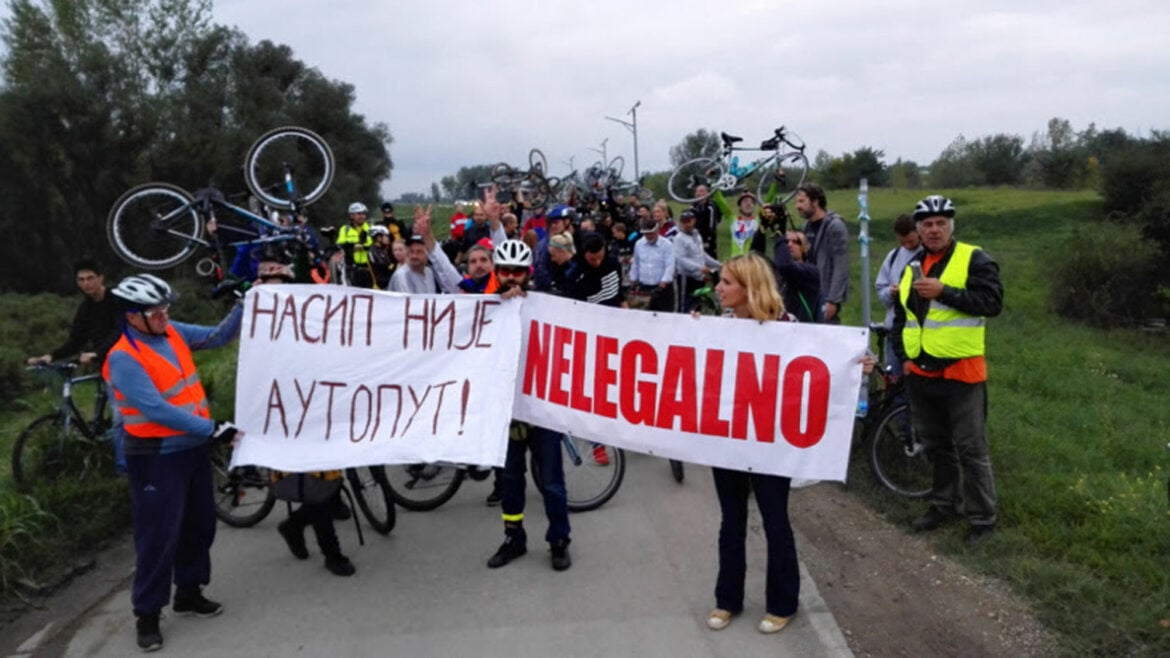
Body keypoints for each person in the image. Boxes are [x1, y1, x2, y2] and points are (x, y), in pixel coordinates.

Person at [101, 274, 244, 652]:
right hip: (157, 456)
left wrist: (244, 304)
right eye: (155, 311)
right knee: (158, 535)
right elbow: (155, 409)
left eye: (165, 308)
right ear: (132, 317)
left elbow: (216, 337)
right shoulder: (123, 357)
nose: (164, 315)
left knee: (200, 523)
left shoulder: (170, 331)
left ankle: (189, 591)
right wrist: (213, 428)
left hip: (193, 449)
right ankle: (147, 614)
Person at [891, 195, 1003, 545]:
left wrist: (946, 292)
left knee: (971, 449)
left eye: (941, 223)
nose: (934, 229)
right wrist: (904, 359)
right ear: (918, 230)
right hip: (922, 373)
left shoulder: (974, 258)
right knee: (937, 446)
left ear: (951, 226)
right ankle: (943, 505)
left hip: (962, 372)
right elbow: (902, 317)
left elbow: (992, 303)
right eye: (927, 224)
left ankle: (983, 519)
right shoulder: (912, 265)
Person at [702, 254, 799, 635]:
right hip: (728, 442)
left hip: (771, 443)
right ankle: (728, 599)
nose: (719, 288)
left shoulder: (788, 327)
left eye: (726, 282)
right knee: (732, 521)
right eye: (720, 281)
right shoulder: (719, 326)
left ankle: (783, 602)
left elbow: (819, 366)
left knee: (776, 521)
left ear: (749, 287)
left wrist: (858, 363)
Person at [485, 238, 572, 571]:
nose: (511, 277)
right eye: (505, 271)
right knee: (510, 481)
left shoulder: (546, 305)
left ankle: (559, 540)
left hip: (541, 412)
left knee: (551, 481)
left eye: (517, 272)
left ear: (528, 273)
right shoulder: (485, 309)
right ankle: (514, 538)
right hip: (506, 414)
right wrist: (496, 305)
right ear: (497, 272)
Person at [27, 260, 121, 368]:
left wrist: (98, 353)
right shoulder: (85, 308)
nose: (86, 283)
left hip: (126, 358)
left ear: (101, 279)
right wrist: (51, 356)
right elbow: (76, 341)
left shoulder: (117, 299)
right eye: (81, 280)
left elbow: (120, 331)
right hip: (107, 365)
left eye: (90, 278)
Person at [795, 183, 849, 323]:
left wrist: (833, 300)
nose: (797, 206)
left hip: (825, 295)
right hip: (809, 294)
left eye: (802, 201)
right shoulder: (806, 226)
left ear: (815, 201)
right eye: (797, 202)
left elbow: (841, 264)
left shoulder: (834, 225)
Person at [875, 214, 921, 368]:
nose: (907, 246)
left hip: (920, 334)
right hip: (895, 333)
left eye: (911, 242)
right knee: (894, 381)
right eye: (903, 243)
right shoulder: (893, 256)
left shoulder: (929, 254)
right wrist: (890, 292)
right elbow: (881, 288)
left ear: (918, 232)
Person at [388, 206, 464, 294]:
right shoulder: (402, 276)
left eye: (419, 252)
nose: (414, 256)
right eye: (411, 251)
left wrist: (428, 235)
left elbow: (448, 276)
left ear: (427, 254)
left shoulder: (429, 273)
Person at [673, 209, 721, 312]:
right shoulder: (679, 238)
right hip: (686, 277)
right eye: (684, 221)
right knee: (684, 305)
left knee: (697, 303)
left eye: (689, 221)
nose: (687, 224)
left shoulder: (697, 236)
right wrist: (700, 267)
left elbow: (702, 254)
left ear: (694, 221)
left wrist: (718, 264)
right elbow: (680, 259)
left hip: (699, 277)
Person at [773, 231, 823, 324]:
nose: (789, 245)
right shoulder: (776, 273)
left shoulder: (811, 272)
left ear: (806, 248)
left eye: (796, 242)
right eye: (786, 241)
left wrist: (780, 239)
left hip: (800, 332)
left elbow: (785, 266)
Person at [629, 216, 676, 312]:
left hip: (662, 288)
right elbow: (636, 263)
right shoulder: (639, 244)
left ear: (657, 231)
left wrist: (664, 281)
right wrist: (633, 279)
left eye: (651, 233)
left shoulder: (667, 245)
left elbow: (670, 265)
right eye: (646, 234)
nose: (649, 236)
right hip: (644, 287)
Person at [566, 232, 625, 308]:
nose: (597, 263)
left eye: (600, 257)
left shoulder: (613, 263)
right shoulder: (575, 276)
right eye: (592, 259)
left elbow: (619, 292)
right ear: (583, 254)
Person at [711, 190, 760, 258]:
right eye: (745, 201)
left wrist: (775, 184)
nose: (749, 204)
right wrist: (715, 190)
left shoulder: (758, 221)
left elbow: (766, 203)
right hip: (736, 261)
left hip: (751, 261)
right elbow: (723, 205)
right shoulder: (733, 220)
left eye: (751, 202)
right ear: (739, 206)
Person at [337, 202, 373, 288]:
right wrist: (353, 246)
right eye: (359, 214)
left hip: (368, 267)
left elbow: (371, 243)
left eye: (364, 214)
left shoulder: (370, 229)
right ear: (352, 216)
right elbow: (341, 244)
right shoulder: (345, 229)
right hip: (351, 267)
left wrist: (362, 246)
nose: (362, 216)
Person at [691, 184, 722, 258]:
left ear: (707, 193)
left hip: (708, 241)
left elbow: (712, 224)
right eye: (697, 191)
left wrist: (708, 240)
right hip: (695, 240)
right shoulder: (693, 206)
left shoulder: (711, 206)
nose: (698, 193)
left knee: (710, 260)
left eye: (701, 191)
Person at [367, 225, 396, 290]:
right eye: (386, 236)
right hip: (382, 286)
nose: (388, 238)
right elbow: (384, 267)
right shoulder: (374, 251)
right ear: (378, 238)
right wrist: (396, 264)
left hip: (388, 283)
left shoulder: (383, 250)